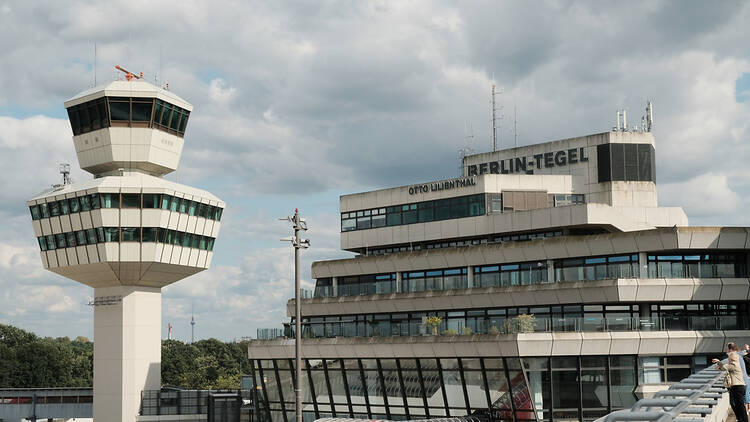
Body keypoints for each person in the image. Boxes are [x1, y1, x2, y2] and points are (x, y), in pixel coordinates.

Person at [714, 342, 748, 422]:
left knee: (740, 406)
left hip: (738, 386)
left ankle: (743, 420)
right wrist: (719, 364)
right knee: (740, 405)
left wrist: (719, 362)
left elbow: (724, 367)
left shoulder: (733, 365)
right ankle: (741, 419)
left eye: (729, 357)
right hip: (740, 386)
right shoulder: (735, 363)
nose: (728, 358)